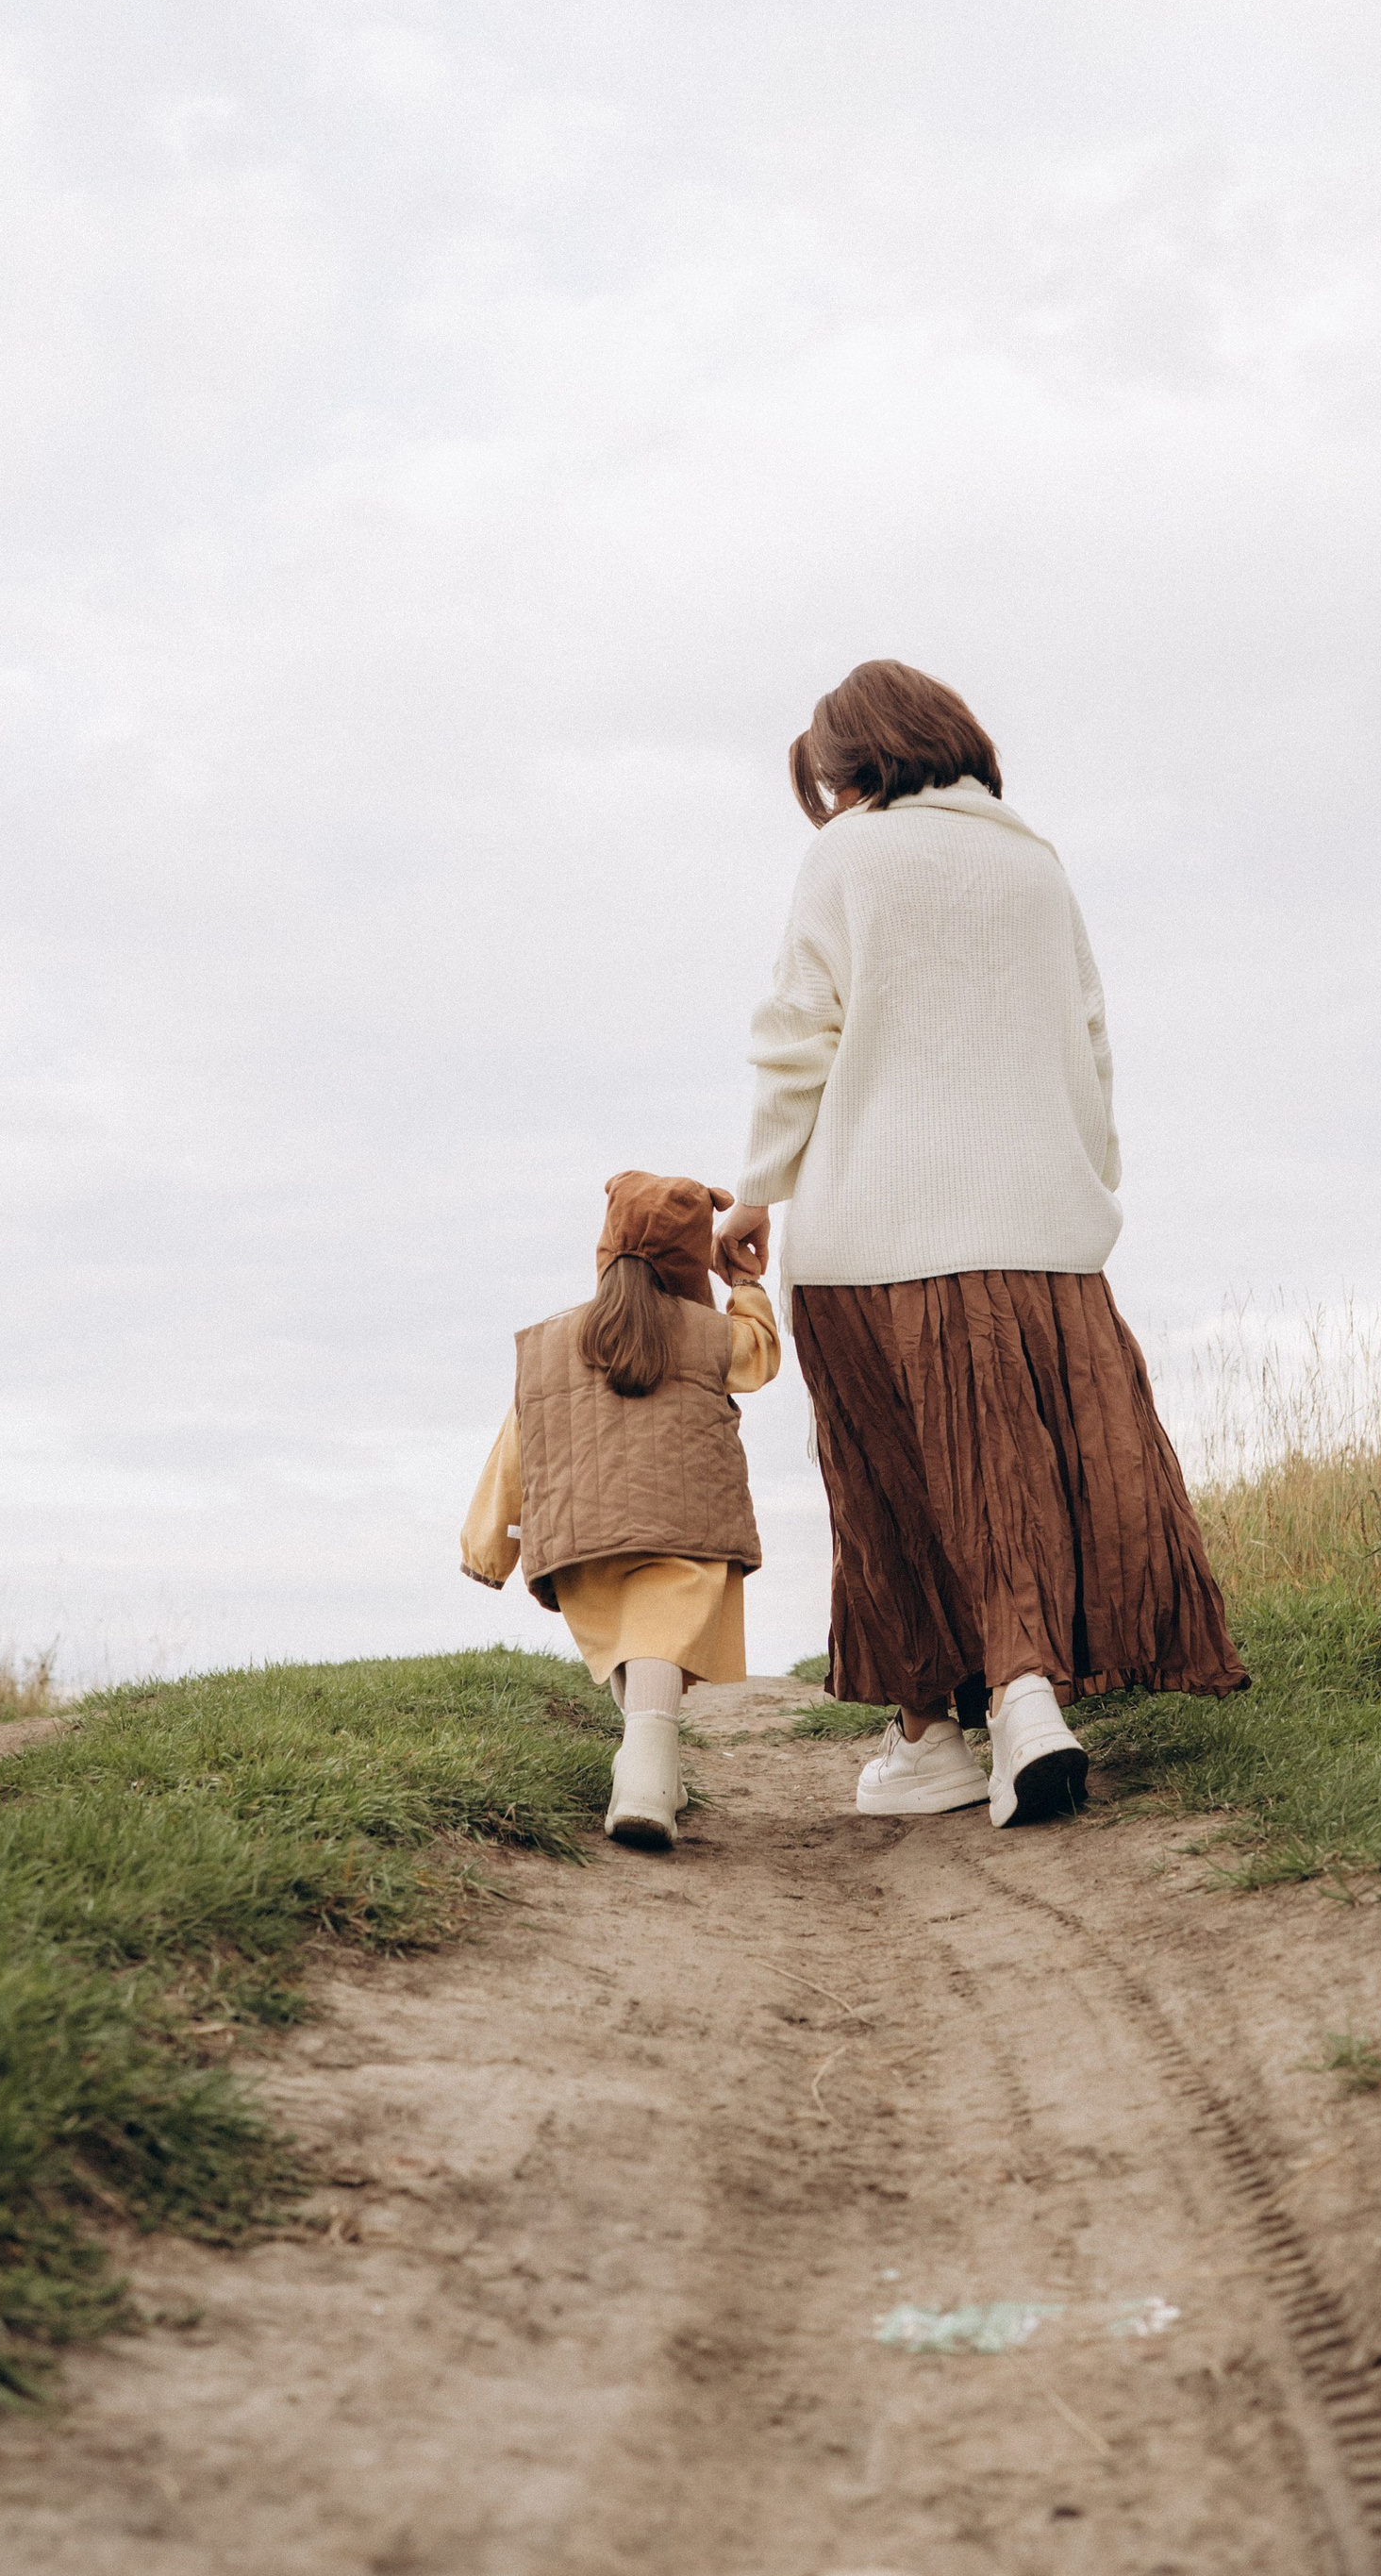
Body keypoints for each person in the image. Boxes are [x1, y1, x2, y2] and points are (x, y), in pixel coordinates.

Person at [715, 659, 1244, 1827]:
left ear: (854, 765)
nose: (833, 802)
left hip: (876, 1238)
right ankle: (1030, 1705)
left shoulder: (847, 856)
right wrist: (1078, 1187)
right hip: (1042, 1237)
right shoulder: (1034, 862)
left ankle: (939, 1735)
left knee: (896, 1493)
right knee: (1023, 1476)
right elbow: (1090, 1042)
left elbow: (800, 1032)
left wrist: (755, 1192)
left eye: (830, 780)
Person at [461, 1169, 780, 1852]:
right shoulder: (708, 1333)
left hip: (581, 1541)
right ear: (694, 1261)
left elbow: (515, 1450)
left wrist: (489, 1549)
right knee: (659, 1638)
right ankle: (644, 1781)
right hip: (683, 1528)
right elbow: (761, 1358)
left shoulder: (550, 1344)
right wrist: (746, 1286)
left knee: (636, 1648)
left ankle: (652, 1768)